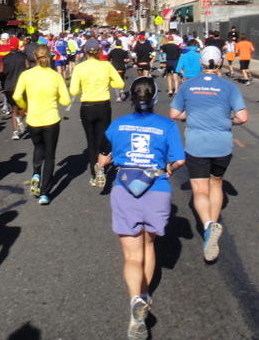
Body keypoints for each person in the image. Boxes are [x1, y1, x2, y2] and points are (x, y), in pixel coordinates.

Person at [98, 76, 185, 340]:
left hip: (125, 188)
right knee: (148, 246)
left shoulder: (117, 125)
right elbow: (179, 160)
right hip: (157, 187)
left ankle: (136, 299)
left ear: (132, 98)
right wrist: (167, 169)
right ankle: (145, 295)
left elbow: (102, 159)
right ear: (155, 97)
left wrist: (101, 167)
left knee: (132, 255)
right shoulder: (167, 125)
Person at [170, 46, 248, 262]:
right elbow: (243, 117)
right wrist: (226, 121)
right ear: (220, 63)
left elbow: (174, 113)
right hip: (222, 144)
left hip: (197, 144)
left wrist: (191, 115)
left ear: (202, 64)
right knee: (216, 183)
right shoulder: (229, 87)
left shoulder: (188, 85)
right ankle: (213, 226)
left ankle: (208, 226)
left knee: (199, 189)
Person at [12, 45, 70, 205]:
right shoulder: (56, 76)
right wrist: (55, 97)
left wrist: (25, 106)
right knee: (50, 155)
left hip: (33, 119)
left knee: (38, 148)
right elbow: (66, 100)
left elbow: (17, 96)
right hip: (51, 119)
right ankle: (45, 193)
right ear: (50, 57)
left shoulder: (26, 75)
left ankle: (36, 173)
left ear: (34, 56)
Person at [69, 43, 124, 188]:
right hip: (103, 106)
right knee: (102, 139)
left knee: (91, 140)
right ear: (100, 51)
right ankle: (102, 167)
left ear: (85, 51)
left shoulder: (79, 68)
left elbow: (73, 91)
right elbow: (119, 84)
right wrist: (108, 81)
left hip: (87, 106)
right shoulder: (106, 66)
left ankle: (94, 174)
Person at [0, 40, 29, 140]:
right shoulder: (23, 57)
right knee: (24, 107)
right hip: (21, 85)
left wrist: (3, 81)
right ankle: (19, 118)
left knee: (13, 109)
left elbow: (0, 71)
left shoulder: (5, 58)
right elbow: (28, 68)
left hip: (9, 86)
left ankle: (15, 132)